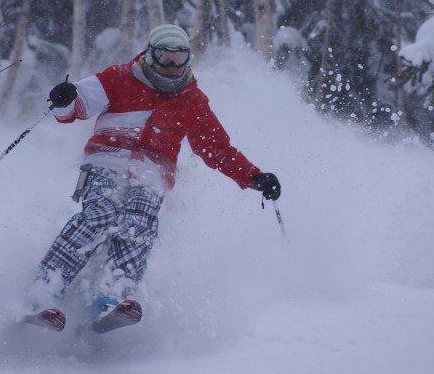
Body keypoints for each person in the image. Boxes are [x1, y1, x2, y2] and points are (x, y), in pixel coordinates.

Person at [25, 24, 281, 332]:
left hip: (152, 171)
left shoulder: (192, 99)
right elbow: (74, 108)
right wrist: (64, 99)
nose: (171, 66)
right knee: (101, 214)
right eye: (164, 56)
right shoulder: (119, 77)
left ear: (188, 59)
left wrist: (254, 177)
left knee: (140, 221)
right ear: (150, 53)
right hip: (106, 159)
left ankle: (112, 297)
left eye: (179, 58)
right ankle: (42, 292)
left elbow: (217, 149)